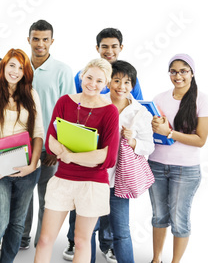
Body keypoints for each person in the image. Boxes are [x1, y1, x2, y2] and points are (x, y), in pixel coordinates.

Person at [64, 28, 140, 260]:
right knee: (82, 204)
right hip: (89, 155)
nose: (109, 50)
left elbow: (138, 106)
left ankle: (106, 243)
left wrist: (136, 135)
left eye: (113, 46)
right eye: (104, 46)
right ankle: (74, 241)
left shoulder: (128, 76)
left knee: (112, 206)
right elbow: (78, 109)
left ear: (120, 48)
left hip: (118, 163)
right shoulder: (86, 75)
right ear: (97, 48)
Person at [35, 58, 121, 263]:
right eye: (89, 77)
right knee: (45, 239)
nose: (92, 83)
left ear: (106, 84)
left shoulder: (110, 111)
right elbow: (51, 140)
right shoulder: (64, 101)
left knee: (82, 242)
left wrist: (69, 156)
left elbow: (106, 158)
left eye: (99, 81)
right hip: (63, 179)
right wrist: (86, 158)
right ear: (81, 76)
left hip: (93, 184)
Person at [0, 48, 44, 263]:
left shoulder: (31, 94)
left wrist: (32, 166)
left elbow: (38, 134)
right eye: (11, 65)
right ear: (3, 66)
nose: (15, 71)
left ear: (26, 72)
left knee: (17, 224)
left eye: (21, 68)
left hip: (27, 168)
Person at [147, 54, 208, 263]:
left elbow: (200, 139)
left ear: (192, 73)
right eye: (173, 71)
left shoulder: (202, 99)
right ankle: (156, 259)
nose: (178, 75)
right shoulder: (159, 98)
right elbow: (154, 132)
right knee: (159, 216)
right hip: (156, 164)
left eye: (183, 71)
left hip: (185, 169)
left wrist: (169, 133)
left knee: (179, 219)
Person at [21, 20, 74, 250]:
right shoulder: (19, 68)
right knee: (22, 196)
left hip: (50, 147)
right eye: (36, 38)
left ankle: (42, 241)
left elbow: (71, 113)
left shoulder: (62, 70)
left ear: (51, 41)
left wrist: (58, 148)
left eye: (45, 39)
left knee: (46, 197)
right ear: (29, 39)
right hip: (22, 144)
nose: (40, 44)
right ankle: (21, 237)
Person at [105, 60, 154, 263]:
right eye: (117, 80)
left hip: (120, 180)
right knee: (88, 228)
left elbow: (149, 146)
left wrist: (132, 141)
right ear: (108, 82)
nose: (121, 87)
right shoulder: (97, 104)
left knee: (121, 231)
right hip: (94, 176)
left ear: (133, 85)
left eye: (127, 82)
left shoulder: (140, 113)